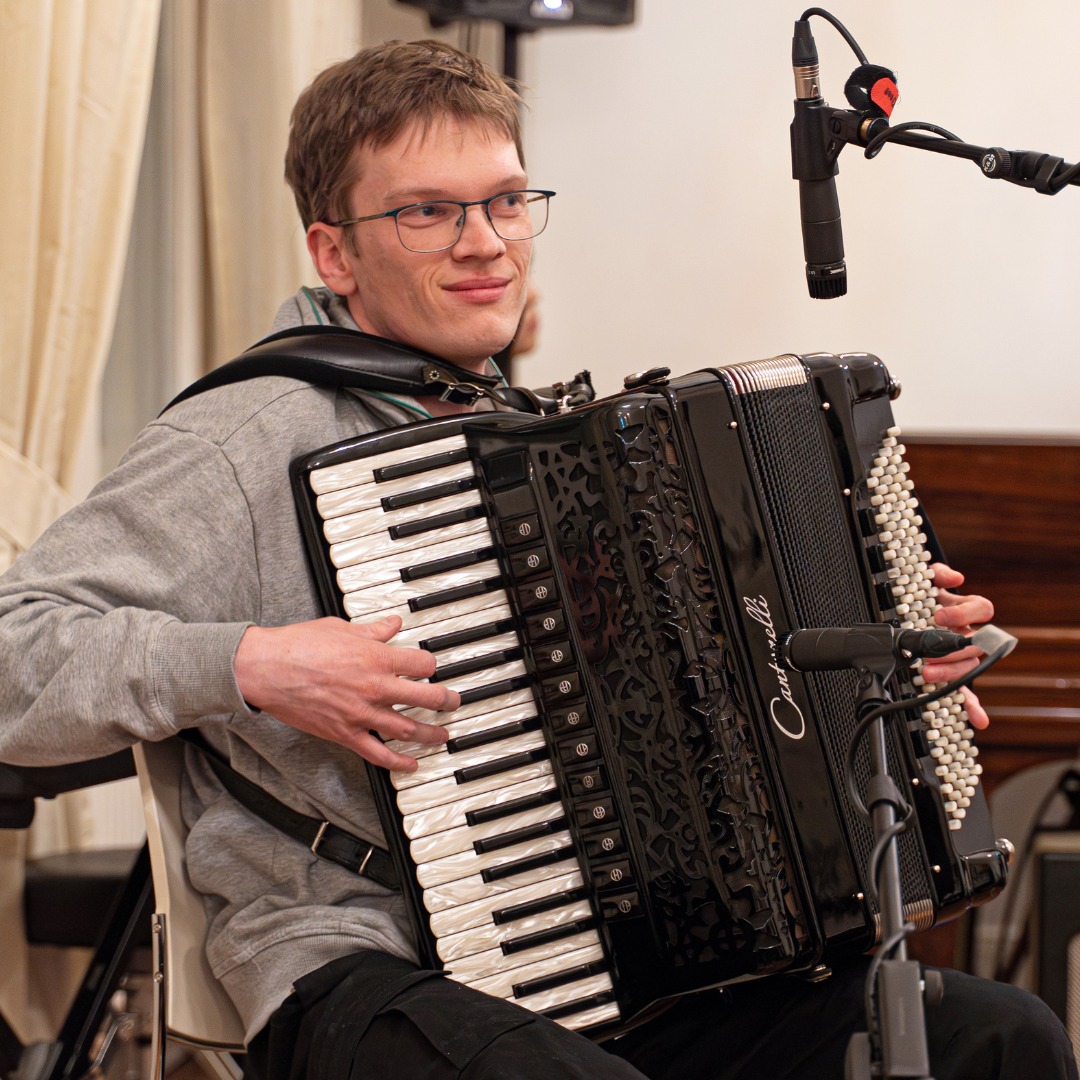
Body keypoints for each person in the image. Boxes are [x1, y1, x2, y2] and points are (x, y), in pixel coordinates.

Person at [0, 38, 1074, 1080]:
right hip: (359, 967)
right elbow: (16, 650)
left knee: (999, 1038)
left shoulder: (526, 431)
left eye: (507, 200)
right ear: (335, 252)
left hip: (603, 962)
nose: (486, 242)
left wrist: (880, 654)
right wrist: (254, 664)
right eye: (428, 211)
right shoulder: (246, 436)